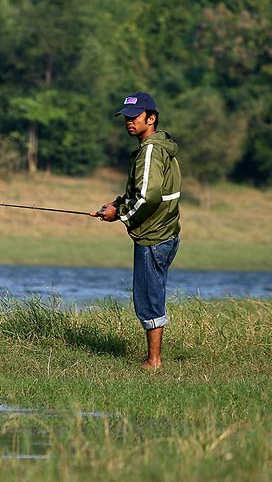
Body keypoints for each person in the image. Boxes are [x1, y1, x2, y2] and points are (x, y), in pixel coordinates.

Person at [92, 92, 181, 369]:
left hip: (154, 236)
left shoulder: (151, 151)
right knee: (151, 294)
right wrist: (117, 203)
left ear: (151, 118)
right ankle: (153, 357)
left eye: (135, 117)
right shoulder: (156, 147)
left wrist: (118, 214)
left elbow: (148, 197)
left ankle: (153, 361)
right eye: (126, 118)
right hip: (164, 232)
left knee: (148, 297)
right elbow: (140, 192)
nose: (129, 122)